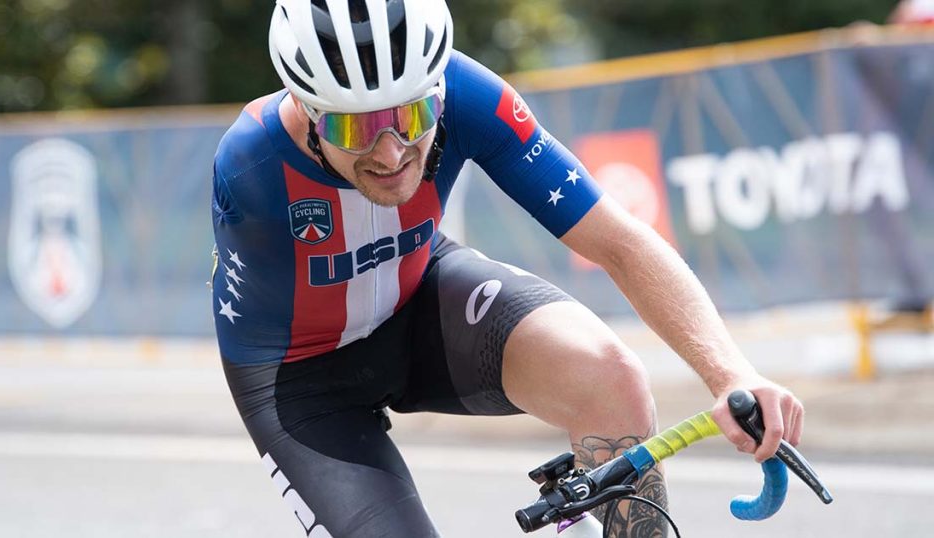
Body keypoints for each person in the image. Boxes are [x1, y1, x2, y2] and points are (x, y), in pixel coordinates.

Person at [210, 1, 804, 536]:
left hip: (415, 299)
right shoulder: (250, 165)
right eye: (355, 126)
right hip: (301, 379)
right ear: (308, 111)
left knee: (609, 378)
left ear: (437, 91)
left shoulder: (467, 95)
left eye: (413, 116)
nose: (390, 153)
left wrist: (731, 373)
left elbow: (620, 243)